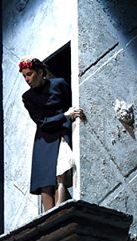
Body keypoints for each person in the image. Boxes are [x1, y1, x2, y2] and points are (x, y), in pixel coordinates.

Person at [19, 56, 85, 212]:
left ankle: (58, 213)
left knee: (61, 172)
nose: (27, 79)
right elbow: (41, 122)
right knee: (45, 181)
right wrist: (65, 115)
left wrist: (71, 115)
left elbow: (70, 103)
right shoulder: (27, 97)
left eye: (29, 74)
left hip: (61, 133)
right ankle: (49, 218)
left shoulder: (59, 84)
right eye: (24, 76)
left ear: (40, 72)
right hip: (44, 138)